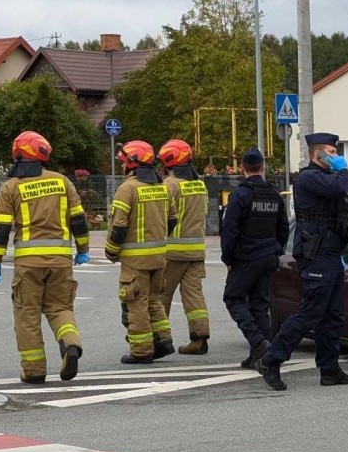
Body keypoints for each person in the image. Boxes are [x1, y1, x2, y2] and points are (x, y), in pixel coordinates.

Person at [0, 131, 92, 383]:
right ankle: (70, 344)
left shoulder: (11, 187)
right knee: (60, 308)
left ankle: (34, 371)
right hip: (61, 261)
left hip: (28, 263)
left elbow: (1, 228)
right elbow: (78, 220)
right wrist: (83, 249)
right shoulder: (62, 182)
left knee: (27, 314)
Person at [256, 133, 348, 391]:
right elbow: (339, 187)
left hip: (332, 252)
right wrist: (343, 169)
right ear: (318, 155)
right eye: (331, 153)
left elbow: (343, 201)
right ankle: (271, 360)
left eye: (337, 153)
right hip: (316, 252)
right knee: (311, 311)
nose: (336, 157)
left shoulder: (327, 178)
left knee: (332, 315)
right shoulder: (309, 177)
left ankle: (329, 369)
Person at [220, 147, 289, 370]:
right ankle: (261, 358)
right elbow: (283, 227)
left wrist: (228, 258)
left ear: (242, 168)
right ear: (263, 167)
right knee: (259, 306)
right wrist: (276, 250)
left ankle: (259, 343)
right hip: (268, 255)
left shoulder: (240, 194)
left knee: (233, 298)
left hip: (246, 257)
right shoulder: (273, 194)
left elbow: (229, 230)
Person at [106, 140, 173, 365]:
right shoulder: (162, 185)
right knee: (154, 300)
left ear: (131, 163)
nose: (122, 166)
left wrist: (111, 252)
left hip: (135, 260)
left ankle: (142, 350)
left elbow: (118, 225)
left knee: (135, 303)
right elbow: (172, 219)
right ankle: (164, 341)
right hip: (159, 256)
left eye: (123, 161)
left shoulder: (127, 189)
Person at [157, 139, 211, 355]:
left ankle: (160, 340)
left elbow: (161, 217)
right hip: (196, 251)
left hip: (172, 252)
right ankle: (199, 338)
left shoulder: (169, 185)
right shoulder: (199, 185)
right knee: (194, 296)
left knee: (161, 296)